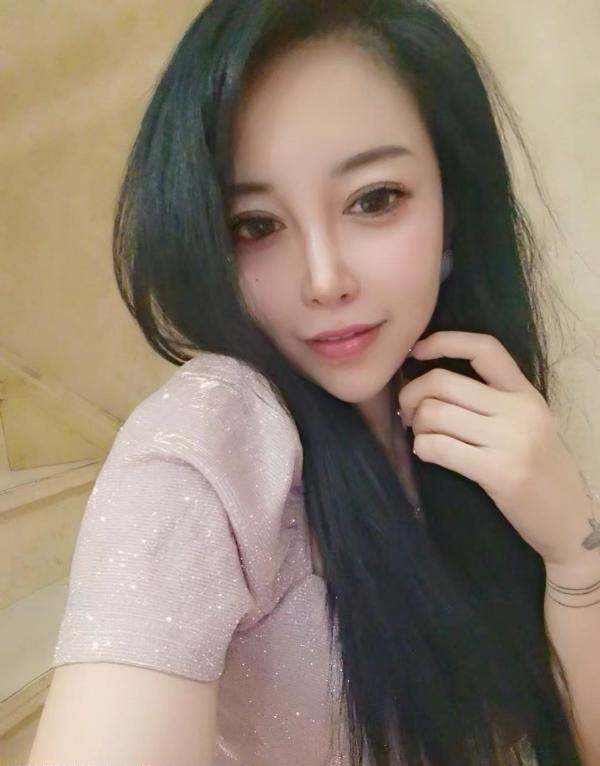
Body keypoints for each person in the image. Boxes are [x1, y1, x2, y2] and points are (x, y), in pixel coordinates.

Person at [28, 1, 599, 765]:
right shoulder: (207, 452)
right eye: (255, 226)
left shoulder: (467, 408)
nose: (324, 280)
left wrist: (574, 550)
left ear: (453, 202)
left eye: (374, 200)